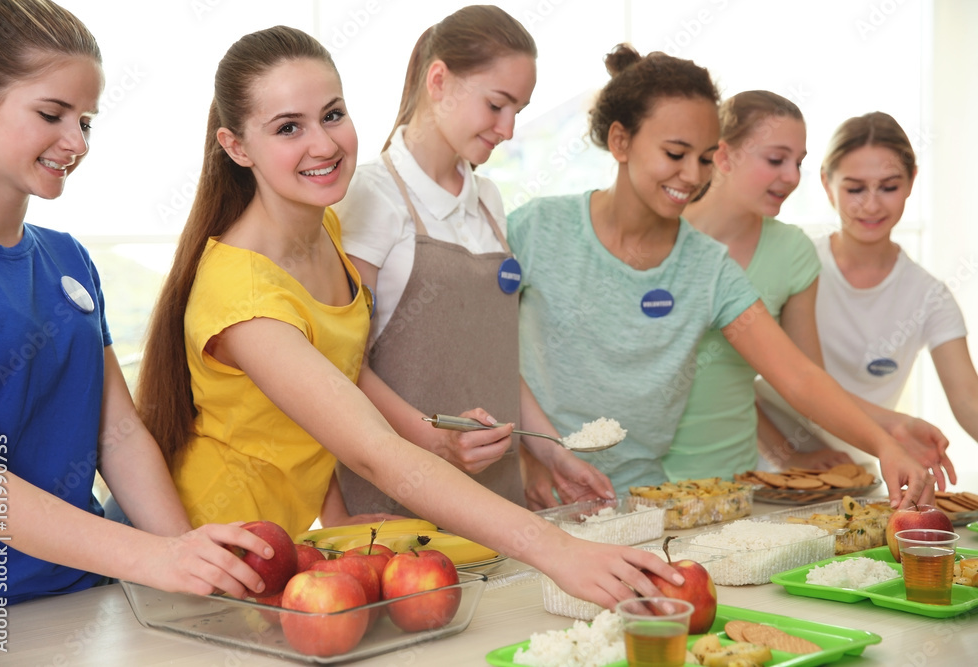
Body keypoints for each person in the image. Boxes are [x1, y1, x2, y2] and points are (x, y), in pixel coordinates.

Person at [133, 24, 684, 609]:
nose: (323, 144)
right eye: (288, 128)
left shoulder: (325, 232)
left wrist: (343, 512)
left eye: (333, 114)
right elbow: (372, 449)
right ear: (237, 146)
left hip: (286, 552)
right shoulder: (243, 296)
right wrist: (555, 549)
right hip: (212, 555)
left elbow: (331, 378)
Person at [507, 46, 934, 509]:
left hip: (636, 503)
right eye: (675, 153)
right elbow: (481, 353)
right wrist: (530, 453)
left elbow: (798, 377)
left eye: (706, 158)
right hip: (529, 493)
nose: (692, 175)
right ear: (620, 142)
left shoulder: (708, 267)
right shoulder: (536, 228)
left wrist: (884, 443)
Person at [0, 0, 273, 609]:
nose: (76, 141)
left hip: (85, 593)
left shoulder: (68, 260)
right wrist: (157, 557)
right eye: (52, 114)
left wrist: (193, 559)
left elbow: (118, 435)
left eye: (85, 120)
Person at [329, 5, 613, 520]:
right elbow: (340, 365)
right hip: (397, 504)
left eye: (519, 111)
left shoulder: (489, 200)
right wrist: (437, 441)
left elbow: (495, 359)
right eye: (497, 105)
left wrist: (551, 451)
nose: (507, 129)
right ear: (439, 81)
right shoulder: (370, 198)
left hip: (496, 498)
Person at [663, 92, 954, 487]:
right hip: (642, 477)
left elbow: (804, 380)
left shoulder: (792, 253)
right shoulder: (659, 236)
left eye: (797, 162)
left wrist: (892, 431)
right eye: (776, 160)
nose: (791, 177)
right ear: (724, 155)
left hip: (735, 486)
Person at [756, 111, 976, 470]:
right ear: (827, 184)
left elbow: (968, 399)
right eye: (855, 188)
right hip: (766, 470)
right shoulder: (795, 262)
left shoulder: (930, 296)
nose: (871, 204)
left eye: (888, 187)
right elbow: (734, 377)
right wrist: (793, 457)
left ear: (911, 181)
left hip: (861, 474)